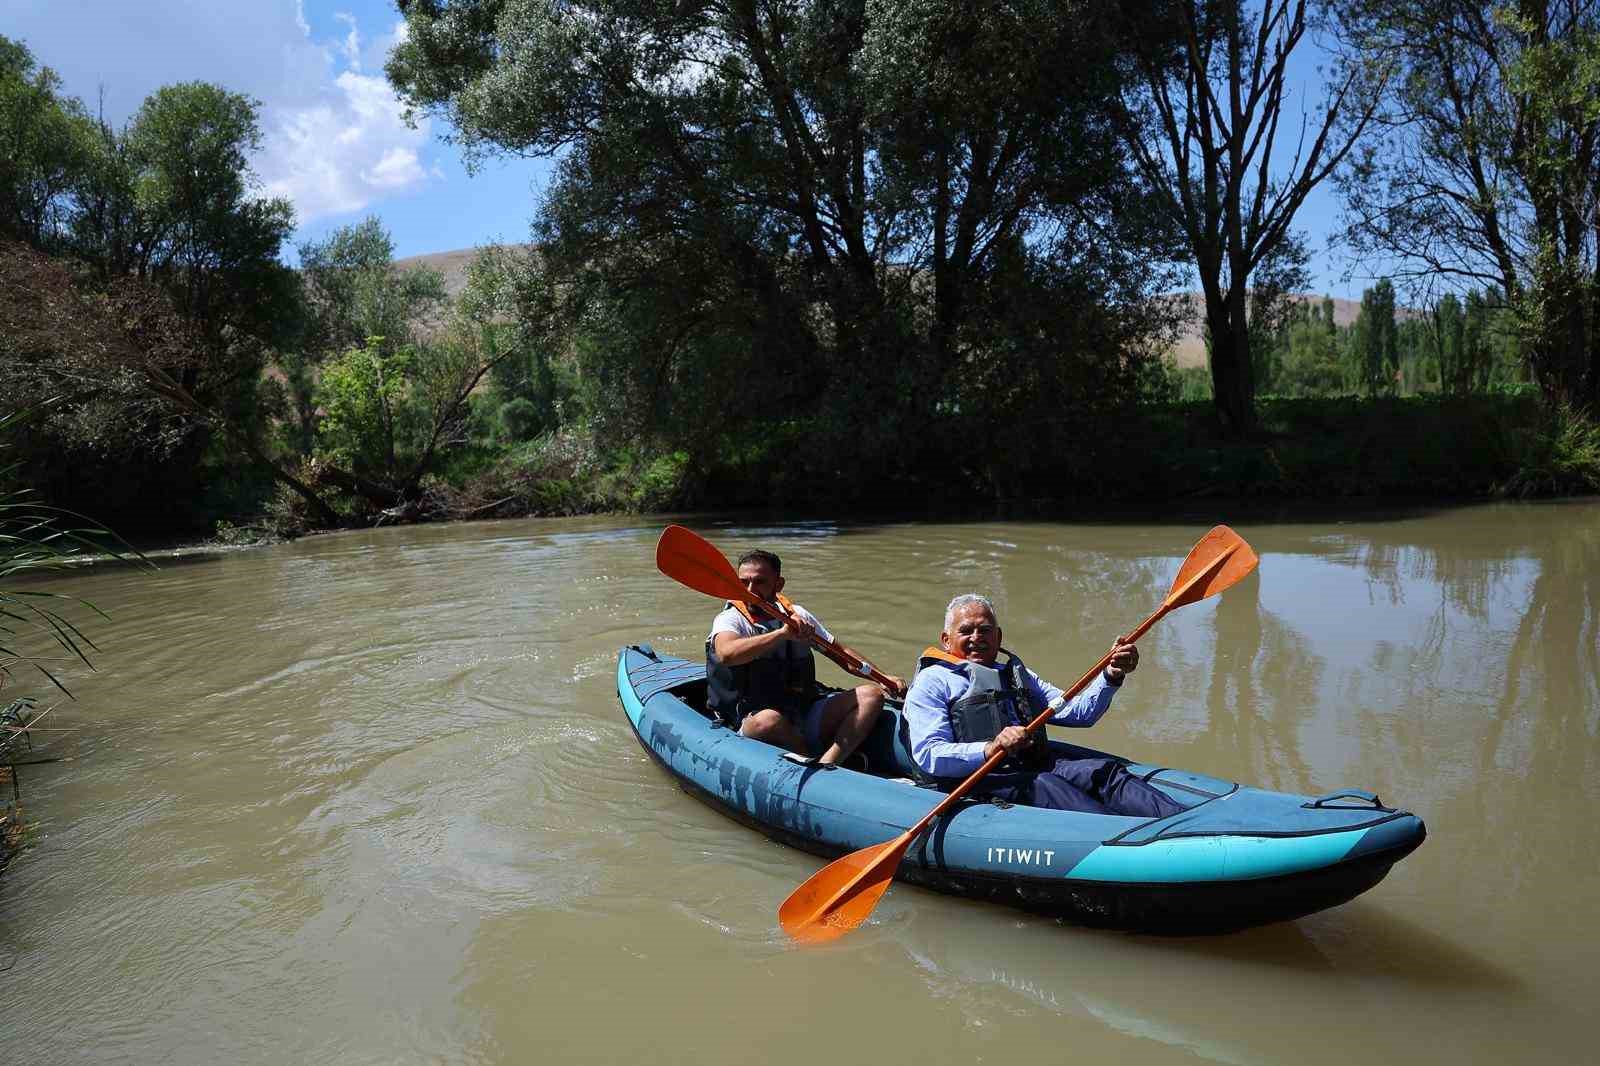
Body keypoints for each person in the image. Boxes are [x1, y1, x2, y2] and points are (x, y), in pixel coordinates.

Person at [901, 593, 1184, 818]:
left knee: (1104, 773)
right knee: (1050, 787)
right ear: (946, 640)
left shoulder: (1016, 675)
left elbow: (1079, 713)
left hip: (1030, 762)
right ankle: (1135, 843)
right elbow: (930, 755)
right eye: (966, 630)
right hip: (977, 777)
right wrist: (991, 748)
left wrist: (1111, 674)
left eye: (985, 630)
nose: (977, 637)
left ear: (998, 637)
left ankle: (1184, 823)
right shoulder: (933, 682)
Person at [707, 549, 905, 767]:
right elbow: (726, 654)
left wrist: (881, 678)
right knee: (769, 721)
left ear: (778, 584)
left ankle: (829, 762)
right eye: (743, 582)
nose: (750, 590)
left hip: (801, 709)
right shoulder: (729, 619)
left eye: (759, 582)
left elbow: (842, 655)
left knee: (871, 696)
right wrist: (781, 634)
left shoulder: (799, 616)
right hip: (751, 717)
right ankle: (809, 756)